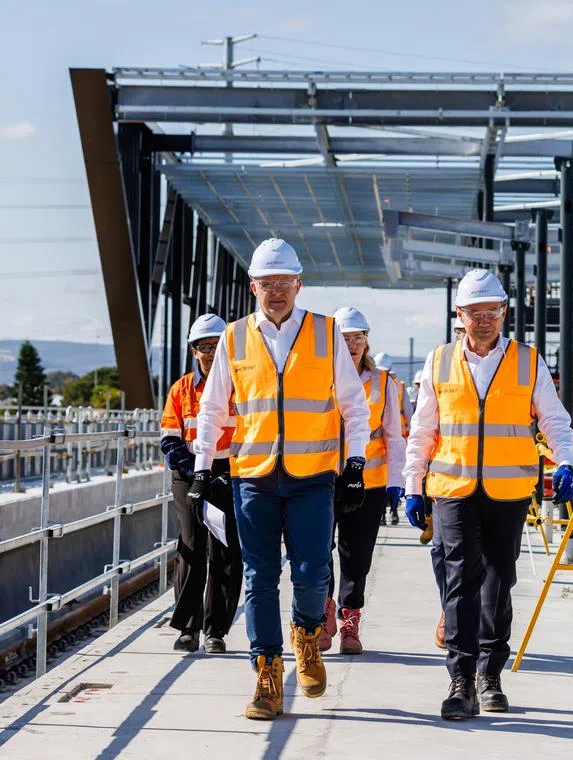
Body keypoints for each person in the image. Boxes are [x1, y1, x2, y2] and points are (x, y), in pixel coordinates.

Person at [189, 238, 371, 721]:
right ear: (253, 287)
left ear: (299, 285)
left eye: (285, 284)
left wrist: (355, 465)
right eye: (267, 284)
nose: (276, 292)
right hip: (254, 475)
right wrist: (203, 469)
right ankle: (267, 672)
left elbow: (353, 404)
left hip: (312, 476)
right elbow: (212, 409)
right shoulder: (233, 337)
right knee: (260, 577)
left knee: (313, 574)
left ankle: (307, 635)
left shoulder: (325, 333)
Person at [404, 269, 573, 720]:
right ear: (458, 315)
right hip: (453, 488)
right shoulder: (439, 361)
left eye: (492, 312)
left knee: (500, 582)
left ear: (504, 312)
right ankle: (460, 681)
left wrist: (566, 460)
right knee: (460, 581)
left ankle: (490, 675)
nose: (484, 320)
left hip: (508, 489)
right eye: (475, 313)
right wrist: (412, 485)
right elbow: (424, 428)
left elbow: (553, 418)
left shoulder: (527, 360)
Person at [318, 307, 406, 654]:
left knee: (357, 556)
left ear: (367, 340)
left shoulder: (383, 383)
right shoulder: (320, 377)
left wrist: (398, 481)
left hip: (368, 484)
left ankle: (349, 620)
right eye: (345, 338)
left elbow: (394, 436)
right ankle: (323, 615)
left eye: (358, 337)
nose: (352, 344)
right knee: (319, 551)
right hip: (323, 478)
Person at [159, 314, 243, 654]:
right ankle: (187, 627)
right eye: (203, 347)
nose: (209, 352)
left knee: (227, 551)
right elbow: (169, 438)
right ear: (194, 351)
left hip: (229, 474)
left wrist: (228, 474)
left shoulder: (242, 387)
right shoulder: (181, 389)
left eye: (216, 345)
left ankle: (216, 630)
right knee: (192, 547)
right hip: (189, 473)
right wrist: (195, 472)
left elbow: (253, 435)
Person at [374, 351, 411, 522]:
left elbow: (409, 414)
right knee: (381, 480)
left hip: (396, 440)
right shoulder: (373, 382)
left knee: (394, 478)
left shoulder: (398, 387)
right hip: (377, 442)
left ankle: (393, 510)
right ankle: (381, 513)